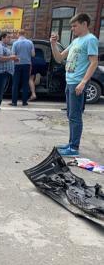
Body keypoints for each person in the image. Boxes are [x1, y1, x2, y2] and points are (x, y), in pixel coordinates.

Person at [50, 13, 99, 157]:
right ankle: (71, 144)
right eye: (71, 26)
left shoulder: (90, 40)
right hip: (70, 81)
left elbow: (94, 62)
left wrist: (83, 82)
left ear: (84, 24)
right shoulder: (76, 41)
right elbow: (59, 58)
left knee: (75, 115)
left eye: (74, 26)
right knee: (71, 115)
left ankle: (74, 147)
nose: (72, 29)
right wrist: (53, 44)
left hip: (77, 82)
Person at [0, 32, 18, 110]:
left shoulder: (5, 46)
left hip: (4, 71)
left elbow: (7, 57)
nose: (10, 39)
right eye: (8, 37)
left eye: (10, 37)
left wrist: (13, 59)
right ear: (2, 38)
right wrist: (11, 58)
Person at [10, 29, 35, 106]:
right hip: (27, 65)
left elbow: (13, 55)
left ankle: (14, 102)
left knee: (15, 83)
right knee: (25, 83)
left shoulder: (15, 43)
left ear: (18, 34)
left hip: (17, 65)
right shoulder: (30, 42)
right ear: (25, 34)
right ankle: (24, 102)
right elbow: (33, 54)